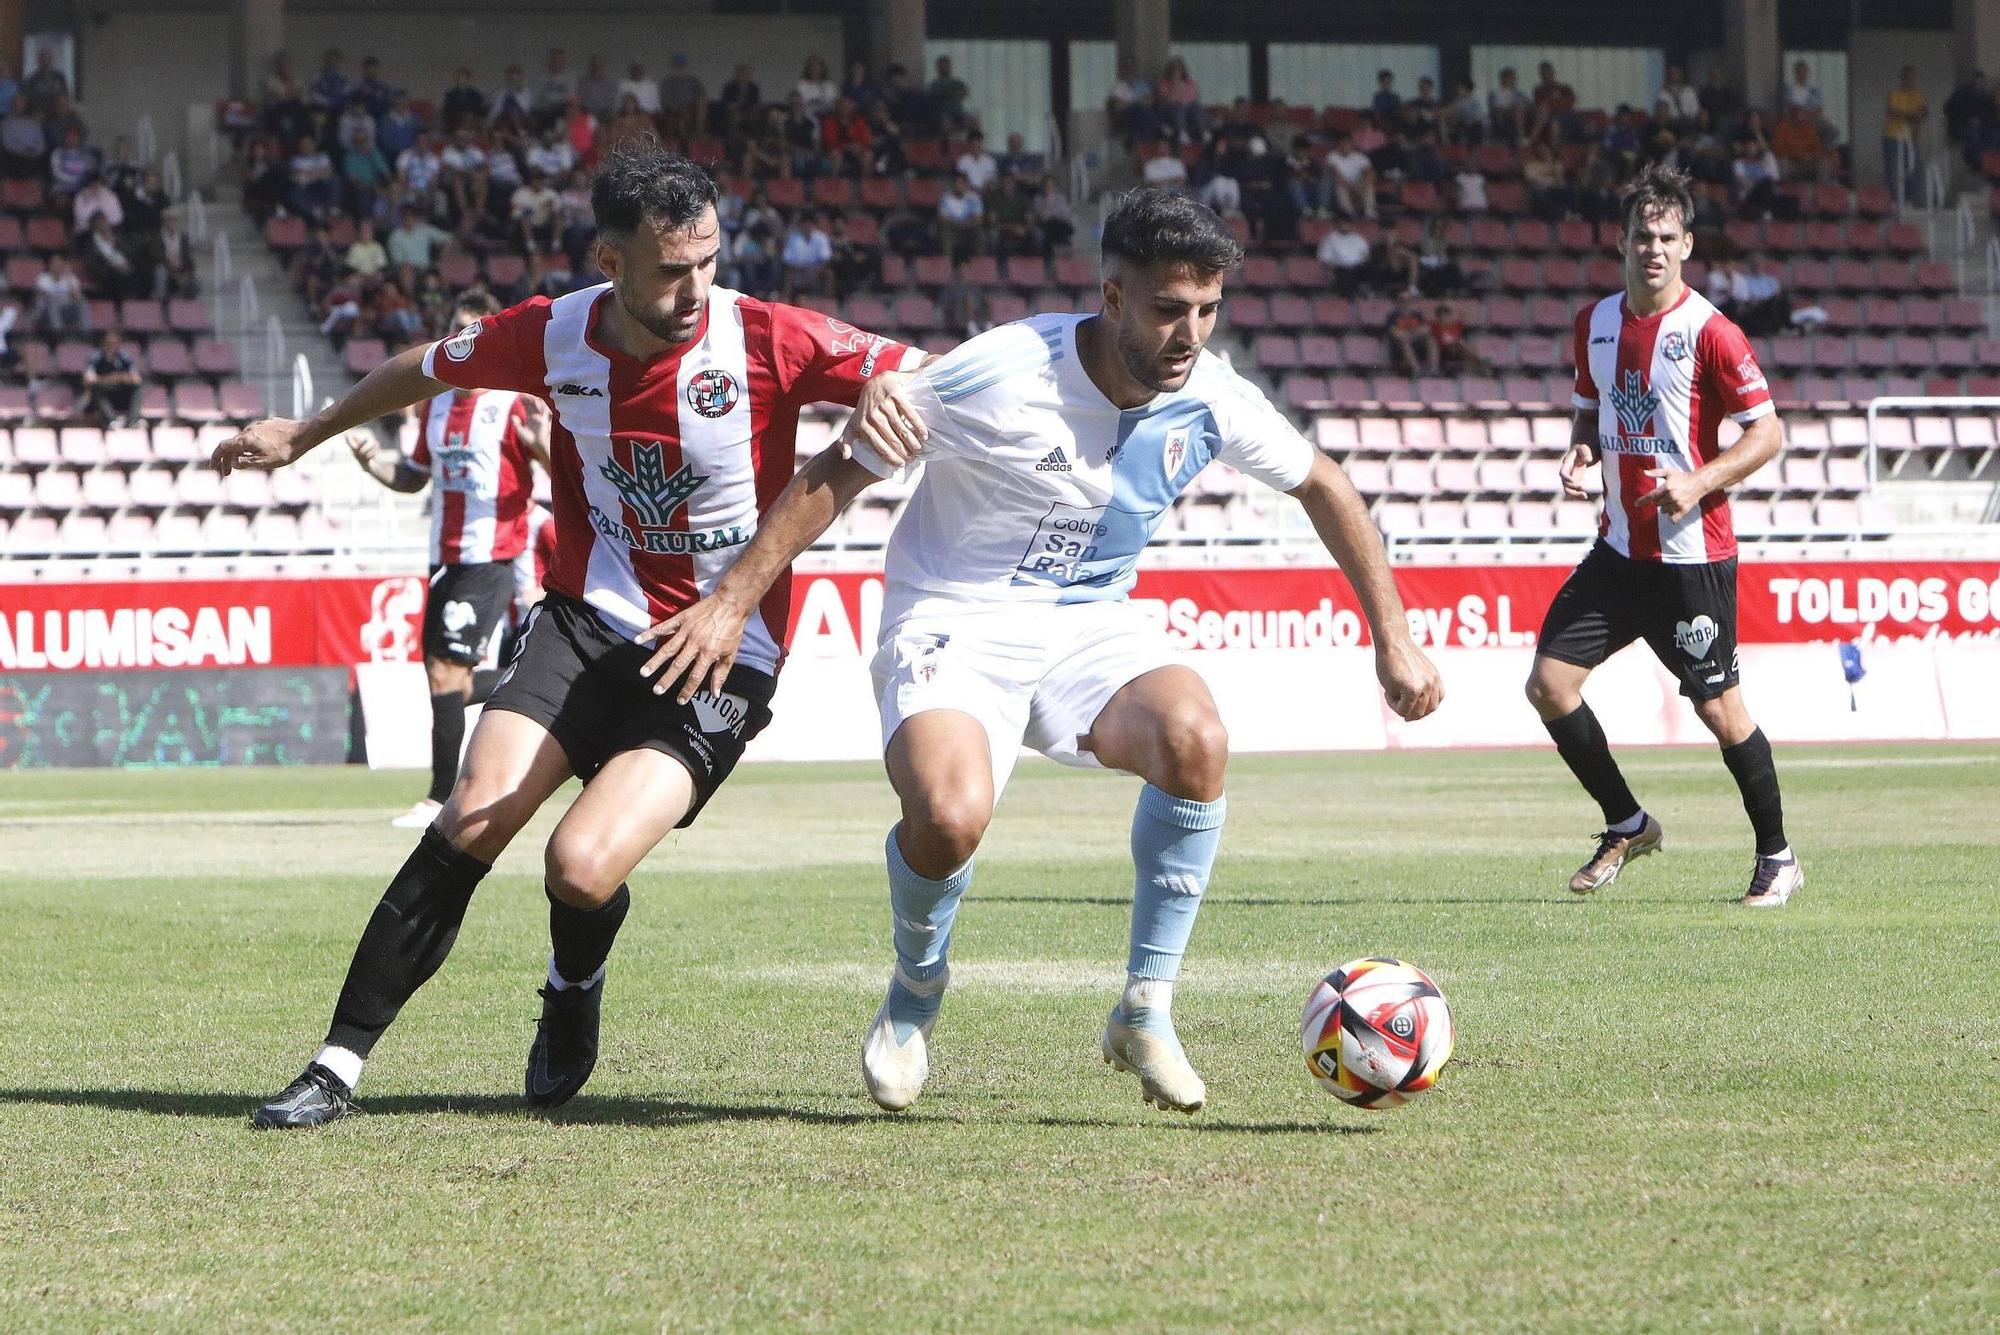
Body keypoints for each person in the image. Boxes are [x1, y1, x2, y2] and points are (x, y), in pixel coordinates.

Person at [639, 188, 1443, 1115]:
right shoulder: (1001, 372)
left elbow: (1325, 484)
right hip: (953, 615)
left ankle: (1146, 1006)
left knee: (1197, 739)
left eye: (1209, 310)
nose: (1191, 333)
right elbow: (837, 470)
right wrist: (730, 603)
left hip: (1088, 622)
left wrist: (1396, 639)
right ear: (1111, 294)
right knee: (947, 817)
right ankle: (915, 991)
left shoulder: (1212, 396)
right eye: (1168, 309)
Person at [214, 142, 928, 1129]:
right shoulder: (549, 337)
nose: (693, 288)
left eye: (707, 262)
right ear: (610, 259)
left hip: (723, 651)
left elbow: (936, 381)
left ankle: (571, 984)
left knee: (581, 868)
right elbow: (416, 372)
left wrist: (906, 385)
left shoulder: (772, 338)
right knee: (468, 818)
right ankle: (336, 1067)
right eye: (669, 269)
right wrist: (307, 433)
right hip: (584, 621)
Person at [1529, 164, 1801, 909]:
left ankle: (1777, 856)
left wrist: (1702, 480)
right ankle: (1627, 822)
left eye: (1666, 236)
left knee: (1721, 712)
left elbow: (1768, 432)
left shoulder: (1711, 331)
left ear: (1688, 245)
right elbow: (1591, 410)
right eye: (1641, 235)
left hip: (1691, 556)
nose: (1653, 247)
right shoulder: (1596, 322)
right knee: (1549, 685)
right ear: (1621, 241)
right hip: (1619, 552)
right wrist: (1581, 449)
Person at [347, 295, 551, 827]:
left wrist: (543, 445)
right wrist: (375, 467)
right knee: (448, 682)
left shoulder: (511, 403)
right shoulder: (434, 404)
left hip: (492, 555)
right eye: (457, 332)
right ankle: (539, 689)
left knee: (444, 675)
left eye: (474, 331)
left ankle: (440, 799)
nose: (465, 341)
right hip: (442, 557)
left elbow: (560, 472)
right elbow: (416, 479)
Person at [1883, 65, 1928, 204]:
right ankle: (1894, 201)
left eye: (1913, 77)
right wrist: (1911, 114)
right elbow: (1892, 111)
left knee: (1912, 168)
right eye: (1908, 77)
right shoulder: (1895, 94)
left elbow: (1922, 115)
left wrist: (1909, 115)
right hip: (1893, 135)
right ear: (1902, 78)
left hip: (1911, 137)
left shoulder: (1919, 95)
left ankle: (1908, 200)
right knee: (1893, 168)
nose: (1911, 80)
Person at [82, 329, 141, 426]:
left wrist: (119, 378)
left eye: (114, 343)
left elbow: (136, 378)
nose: (112, 346)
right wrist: (110, 378)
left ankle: (133, 420)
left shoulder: (124, 357)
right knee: (95, 388)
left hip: (119, 394)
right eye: (109, 343)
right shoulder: (96, 357)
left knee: (138, 387)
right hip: (101, 397)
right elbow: (88, 379)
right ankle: (111, 420)